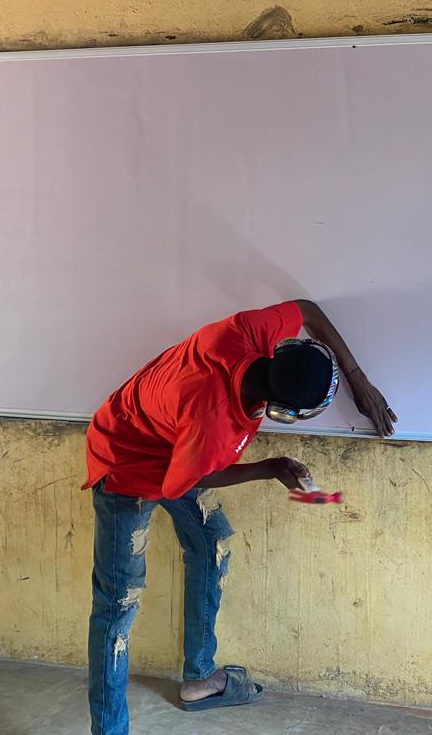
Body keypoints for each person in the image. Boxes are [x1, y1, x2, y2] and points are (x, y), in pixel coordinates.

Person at [81, 299, 396, 734]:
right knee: (119, 601)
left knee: (211, 545)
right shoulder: (212, 425)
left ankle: (199, 680)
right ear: (282, 411)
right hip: (125, 461)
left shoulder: (248, 334)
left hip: (174, 446)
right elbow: (181, 484)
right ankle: (109, 729)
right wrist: (268, 468)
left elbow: (307, 310)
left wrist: (358, 381)